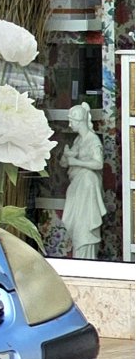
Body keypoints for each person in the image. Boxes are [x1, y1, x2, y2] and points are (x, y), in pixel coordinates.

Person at [60, 102, 106, 260]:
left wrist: (77, 162)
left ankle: (86, 263)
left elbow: (98, 163)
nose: (69, 124)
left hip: (87, 187)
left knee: (84, 229)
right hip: (78, 187)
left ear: (79, 121)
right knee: (77, 227)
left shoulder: (93, 141)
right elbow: (65, 163)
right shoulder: (79, 140)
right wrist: (67, 156)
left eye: (71, 121)